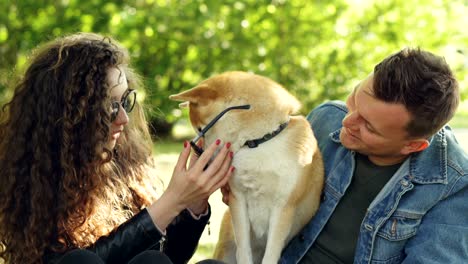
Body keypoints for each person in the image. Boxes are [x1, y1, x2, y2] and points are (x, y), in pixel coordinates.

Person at [0, 32, 234, 264]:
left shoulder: (123, 163)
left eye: (124, 101)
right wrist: (171, 202)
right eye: (109, 106)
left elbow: (170, 256)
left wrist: (193, 201)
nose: (123, 118)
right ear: (69, 114)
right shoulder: (33, 178)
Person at [274, 48, 468, 263]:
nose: (347, 122)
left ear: (412, 146)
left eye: (368, 126)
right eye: (354, 100)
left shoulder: (454, 186)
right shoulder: (325, 118)